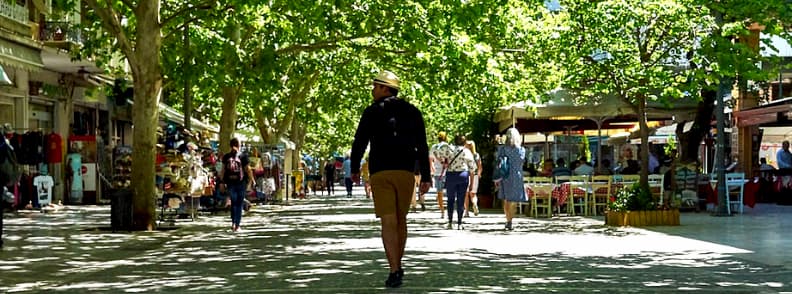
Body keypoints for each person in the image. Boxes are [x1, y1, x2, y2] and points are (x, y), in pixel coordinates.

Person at [350, 70, 431, 288]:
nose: (373, 90)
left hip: (381, 171)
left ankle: (394, 268)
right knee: (401, 218)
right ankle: (398, 263)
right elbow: (422, 145)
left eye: (376, 86)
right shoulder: (413, 111)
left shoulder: (371, 112)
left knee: (388, 220)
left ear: (385, 88)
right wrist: (426, 175)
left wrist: (355, 168)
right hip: (406, 171)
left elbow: (360, 141)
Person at [435, 134, 477, 229]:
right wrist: (472, 183)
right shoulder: (467, 151)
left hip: (451, 175)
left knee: (450, 199)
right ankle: (459, 223)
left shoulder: (450, 149)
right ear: (464, 142)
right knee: (461, 199)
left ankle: (450, 222)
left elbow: (437, 153)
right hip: (463, 175)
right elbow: (472, 168)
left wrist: (443, 161)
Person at [219, 138, 254, 232]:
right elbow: (248, 169)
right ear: (239, 145)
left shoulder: (226, 157)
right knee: (239, 204)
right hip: (241, 183)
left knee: (233, 203)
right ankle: (237, 226)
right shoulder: (243, 156)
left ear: (230, 145)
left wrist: (221, 182)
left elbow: (223, 171)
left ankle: (233, 223)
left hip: (230, 183)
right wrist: (252, 180)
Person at [494, 128, 526, 230]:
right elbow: (522, 161)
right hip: (517, 175)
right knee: (514, 199)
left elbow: (498, 162)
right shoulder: (521, 150)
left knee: (506, 199)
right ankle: (510, 219)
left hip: (505, 175)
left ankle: (508, 220)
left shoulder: (502, 149)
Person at [430, 132, 449, 218]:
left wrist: (432, 168)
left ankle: (442, 211)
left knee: (439, 192)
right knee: (450, 192)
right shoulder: (448, 147)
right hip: (448, 172)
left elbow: (430, 159)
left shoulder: (434, 147)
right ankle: (450, 209)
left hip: (438, 172)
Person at [464, 140, 482, 217]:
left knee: (465, 194)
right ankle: (475, 204)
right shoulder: (476, 155)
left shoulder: (464, 154)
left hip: (466, 175)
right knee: (473, 194)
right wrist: (479, 174)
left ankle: (466, 211)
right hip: (474, 175)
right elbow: (480, 166)